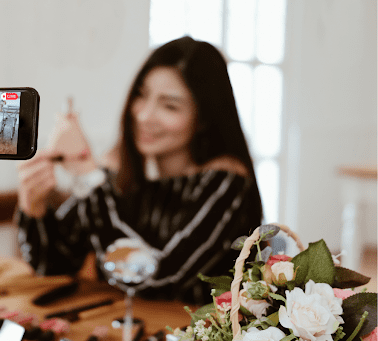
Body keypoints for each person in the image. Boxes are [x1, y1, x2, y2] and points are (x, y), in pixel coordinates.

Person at [16, 36, 263, 305]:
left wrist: (89, 176)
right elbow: (52, 264)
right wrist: (34, 207)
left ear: (203, 118)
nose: (144, 115)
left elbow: (158, 281)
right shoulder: (123, 171)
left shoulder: (227, 185)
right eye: (141, 95)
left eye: (170, 106)